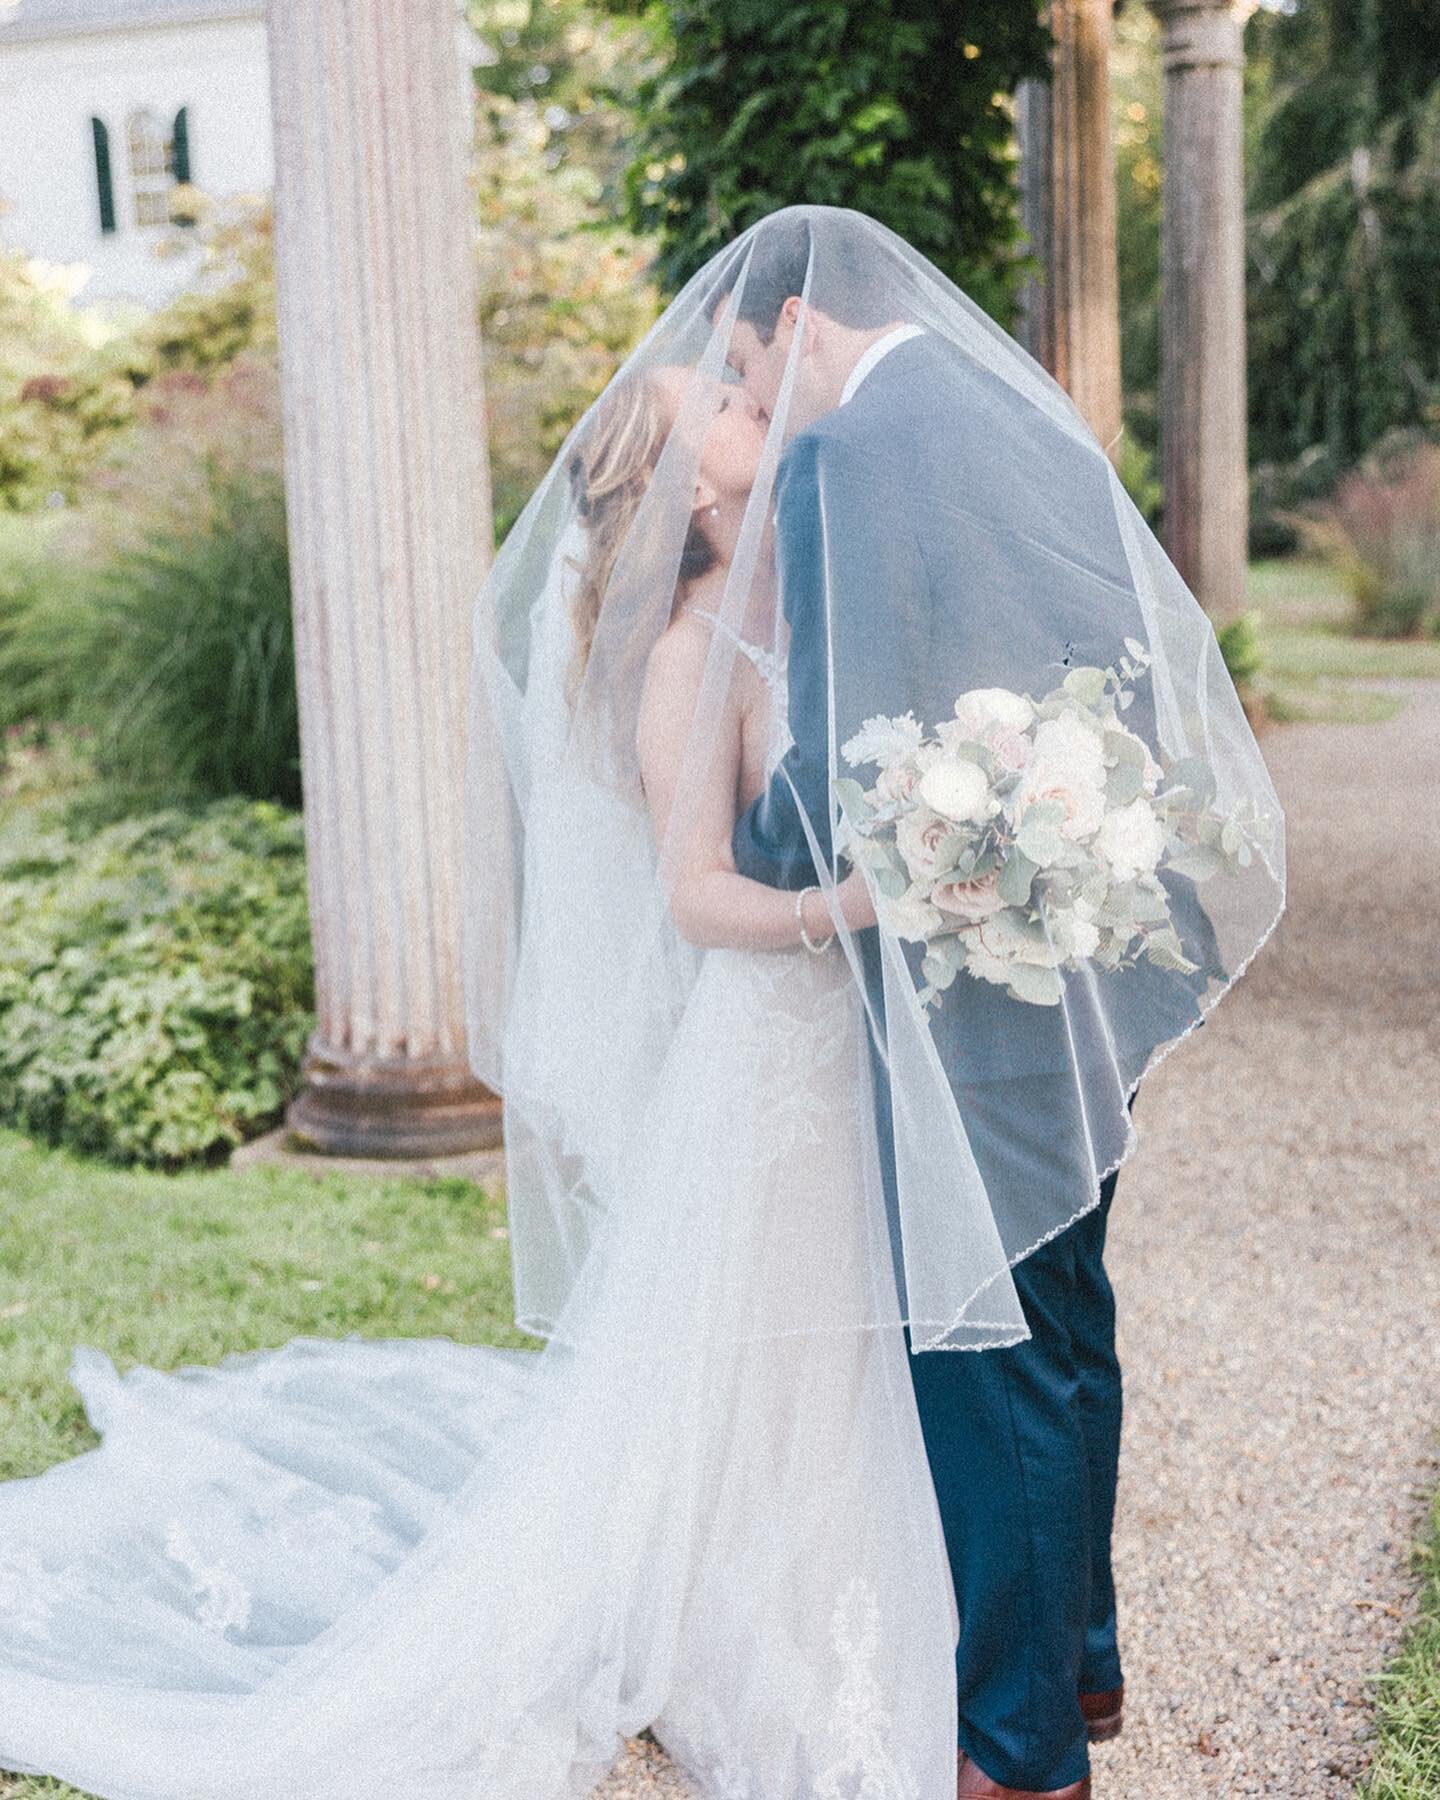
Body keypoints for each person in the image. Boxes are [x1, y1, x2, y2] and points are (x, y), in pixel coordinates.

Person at [0, 205, 1284, 1800]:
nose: (748, 404)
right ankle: (993, 1680)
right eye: (722, 412)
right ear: (675, 493)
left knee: (974, 1345)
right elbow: (733, 862)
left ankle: (1028, 1686)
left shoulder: (822, 518)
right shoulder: (733, 612)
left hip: (913, 991)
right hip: (867, 999)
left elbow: (870, 740)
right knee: (951, 1340)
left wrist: (961, 835)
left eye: (744, 384)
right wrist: (893, 875)